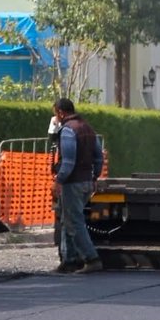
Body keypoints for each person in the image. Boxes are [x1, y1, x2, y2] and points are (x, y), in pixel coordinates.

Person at [50, 98, 104, 274]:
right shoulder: (88, 128)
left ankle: (91, 258)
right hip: (87, 181)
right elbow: (98, 156)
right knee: (67, 219)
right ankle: (69, 260)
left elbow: (68, 162)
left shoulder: (68, 130)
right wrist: (95, 176)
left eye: (55, 114)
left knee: (74, 221)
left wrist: (59, 180)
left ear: (60, 112)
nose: (55, 118)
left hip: (73, 183)